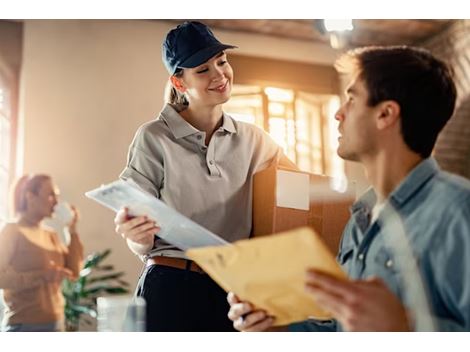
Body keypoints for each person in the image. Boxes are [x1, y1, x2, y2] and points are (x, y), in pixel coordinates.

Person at [227, 45, 470, 332]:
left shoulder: (457, 211)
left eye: (352, 100)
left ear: (386, 114)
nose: (338, 114)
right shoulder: (360, 218)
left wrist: (405, 329)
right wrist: (279, 328)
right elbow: (342, 330)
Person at [114, 21, 295, 332]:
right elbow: (136, 231)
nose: (219, 74)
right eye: (203, 70)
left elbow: (301, 194)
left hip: (233, 291)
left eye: (222, 62)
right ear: (179, 82)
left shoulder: (256, 140)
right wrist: (137, 236)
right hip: (171, 285)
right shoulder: (154, 137)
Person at [0, 174, 84, 332]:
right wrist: (43, 276)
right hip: (23, 326)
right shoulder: (12, 231)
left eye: (57, 195)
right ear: (30, 197)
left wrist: (71, 229)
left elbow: (74, 271)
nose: (57, 201)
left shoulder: (51, 235)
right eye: (51, 194)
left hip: (57, 324)